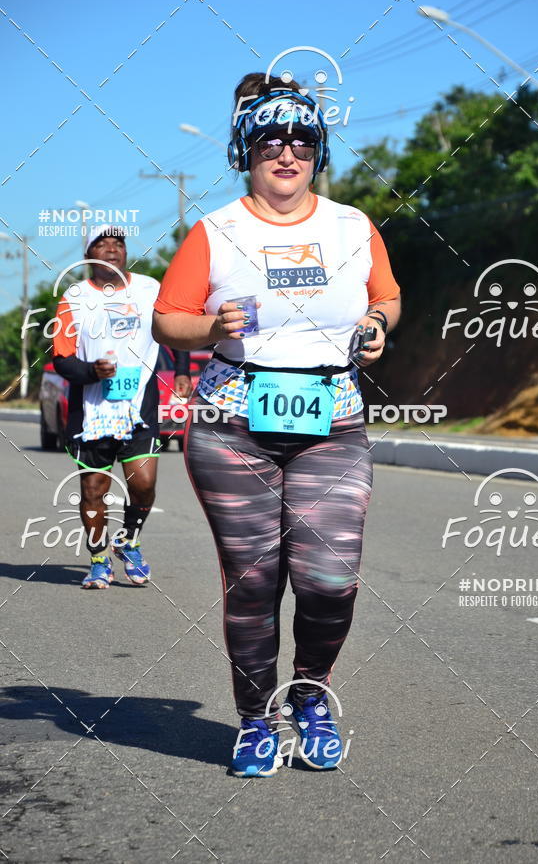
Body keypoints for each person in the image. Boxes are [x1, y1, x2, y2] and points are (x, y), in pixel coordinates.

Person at [152, 72, 400, 776]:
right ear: (245, 152)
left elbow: (387, 295)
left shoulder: (352, 227)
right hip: (233, 424)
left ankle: (311, 698)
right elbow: (167, 318)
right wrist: (210, 326)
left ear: (318, 152)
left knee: (329, 579)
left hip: (333, 420)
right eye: (269, 141)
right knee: (255, 581)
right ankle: (256, 718)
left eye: (302, 141)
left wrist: (378, 324)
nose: (287, 154)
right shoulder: (216, 231)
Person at [52, 225, 192, 589]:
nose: (112, 249)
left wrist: (181, 370)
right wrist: (91, 372)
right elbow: (62, 358)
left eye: (119, 243)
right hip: (92, 412)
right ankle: (99, 560)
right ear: (88, 255)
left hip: (139, 408)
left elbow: (174, 329)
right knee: (93, 491)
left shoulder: (149, 289)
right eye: (103, 244)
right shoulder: (75, 297)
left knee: (143, 484)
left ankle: (129, 540)